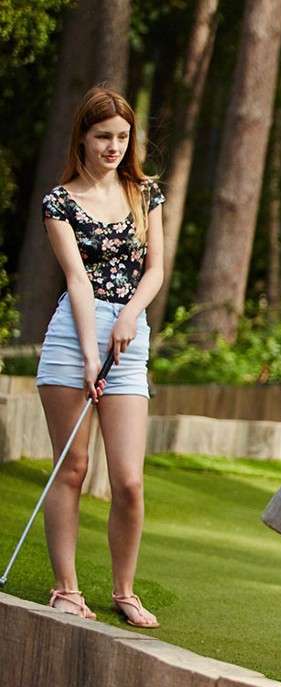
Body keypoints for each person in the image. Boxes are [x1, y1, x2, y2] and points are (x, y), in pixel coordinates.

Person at [35, 86, 164, 628]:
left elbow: (155, 270)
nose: (114, 147)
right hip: (74, 337)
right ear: (83, 139)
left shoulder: (145, 194)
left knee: (128, 480)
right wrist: (90, 354)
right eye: (103, 136)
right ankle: (65, 588)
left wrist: (131, 315)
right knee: (73, 467)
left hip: (130, 338)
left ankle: (124, 590)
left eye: (122, 136)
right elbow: (77, 280)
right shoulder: (59, 202)